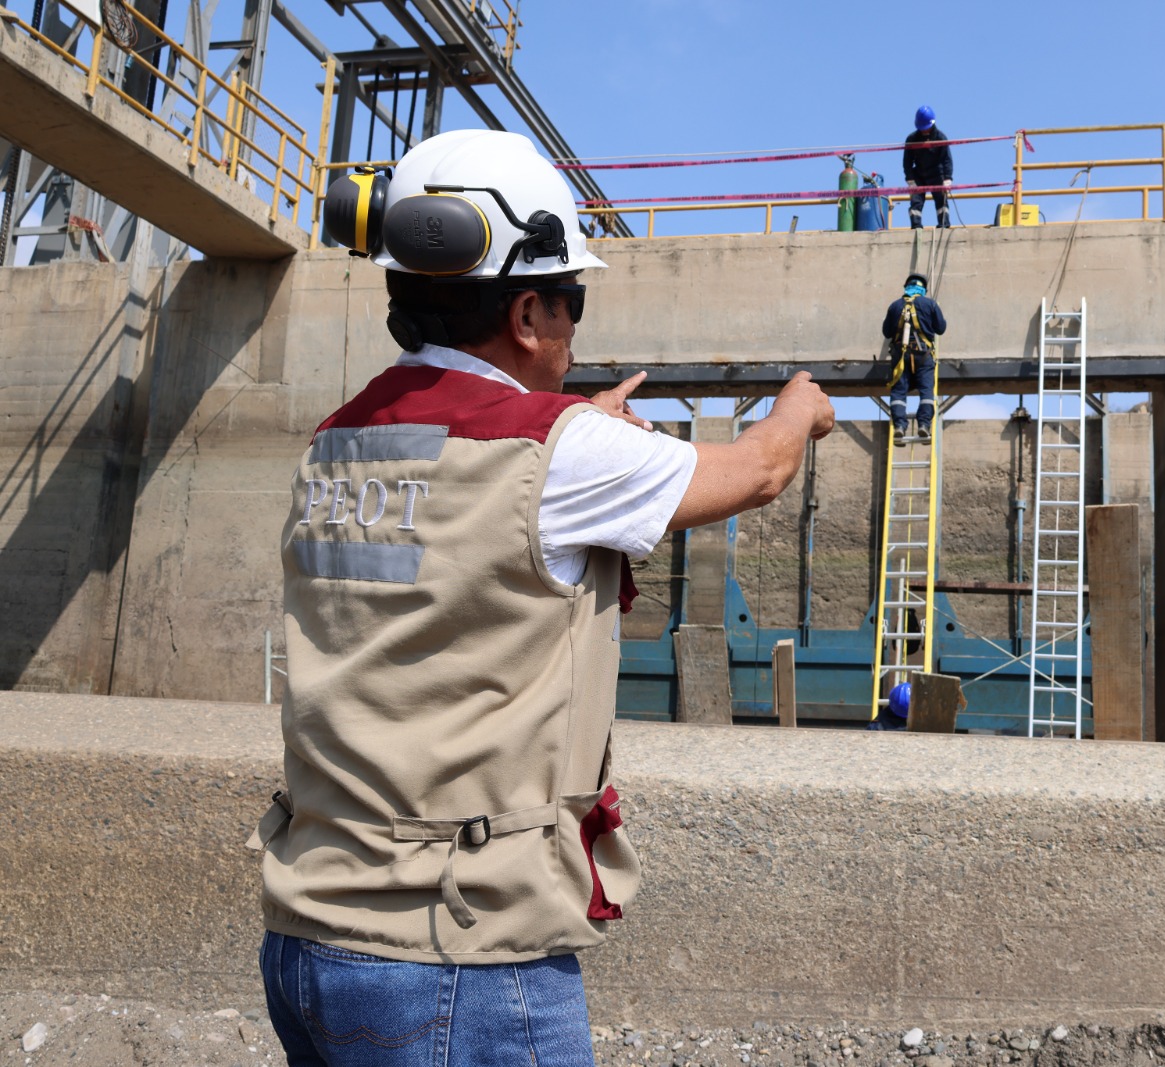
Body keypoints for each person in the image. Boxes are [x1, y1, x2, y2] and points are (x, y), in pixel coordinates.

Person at [251, 129, 834, 1067]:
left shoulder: (333, 443)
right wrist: (801, 406)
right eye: (572, 303)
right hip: (459, 949)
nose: (573, 332)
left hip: (307, 935)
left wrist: (568, 434)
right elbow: (760, 471)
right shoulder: (561, 453)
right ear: (527, 312)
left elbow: (456, 516)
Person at [881, 271, 946, 442]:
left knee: (899, 391)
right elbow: (941, 328)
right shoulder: (930, 304)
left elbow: (887, 332)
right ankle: (924, 425)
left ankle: (900, 426)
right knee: (926, 391)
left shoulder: (895, 306)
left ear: (906, 287)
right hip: (923, 355)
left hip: (900, 356)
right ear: (923, 288)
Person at [903, 104, 953, 229]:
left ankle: (943, 224)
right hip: (919, 174)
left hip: (937, 173)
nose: (924, 130)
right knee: (916, 201)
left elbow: (947, 160)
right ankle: (916, 225)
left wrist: (947, 179)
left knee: (941, 200)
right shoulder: (912, 139)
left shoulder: (941, 138)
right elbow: (907, 162)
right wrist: (910, 179)